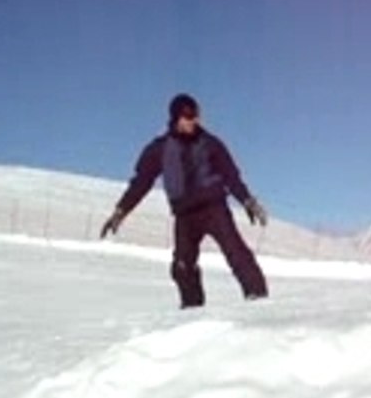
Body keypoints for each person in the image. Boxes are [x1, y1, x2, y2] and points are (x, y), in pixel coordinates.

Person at [100, 93, 269, 308]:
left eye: (196, 115)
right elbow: (141, 183)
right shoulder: (159, 149)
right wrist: (121, 211)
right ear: (176, 118)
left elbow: (231, 176)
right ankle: (192, 309)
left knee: (236, 253)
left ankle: (258, 299)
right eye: (188, 116)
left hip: (213, 208)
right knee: (182, 266)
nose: (194, 121)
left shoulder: (211, 143)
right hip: (184, 214)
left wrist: (247, 200)